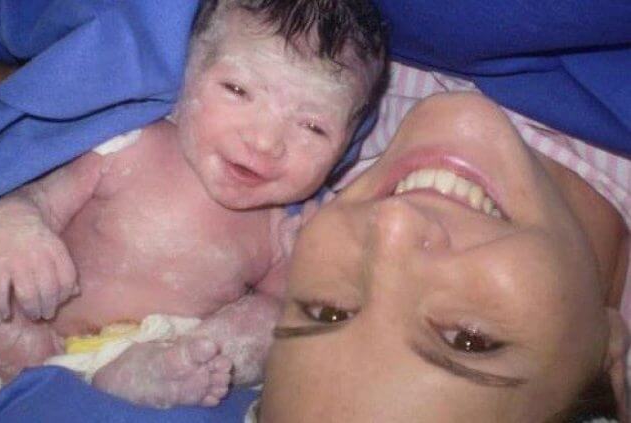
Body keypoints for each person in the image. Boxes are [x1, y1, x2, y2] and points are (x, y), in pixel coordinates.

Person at [0, 0, 386, 418]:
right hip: (30, 334)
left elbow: (286, 313)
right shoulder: (127, 145)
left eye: (313, 127)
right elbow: (33, 199)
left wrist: (308, 271)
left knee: (269, 322)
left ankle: (113, 387)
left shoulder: (283, 223)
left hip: (164, 359)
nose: (264, 141)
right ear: (186, 77)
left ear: (345, 145)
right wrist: (21, 227)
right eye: (237, 90)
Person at [258, 91, 630, 422]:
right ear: (608, 360)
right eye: (468, 339)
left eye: (327, 311)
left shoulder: (302, 125)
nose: (394, 224)